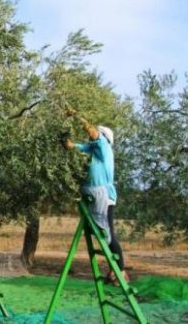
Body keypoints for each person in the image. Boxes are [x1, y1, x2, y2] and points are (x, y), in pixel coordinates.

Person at [62, 109, 129, 285]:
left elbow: (91, 131)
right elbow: (73, 146)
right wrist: (66, 138)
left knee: (108, 234)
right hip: (92, 196)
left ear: (104, 138)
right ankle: (114, 270)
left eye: (98, 135)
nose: (93, 137)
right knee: (98, 232)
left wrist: (76, 115)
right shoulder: (93, 150)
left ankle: (120, 271)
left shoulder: (103, 147)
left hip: (103, 197)